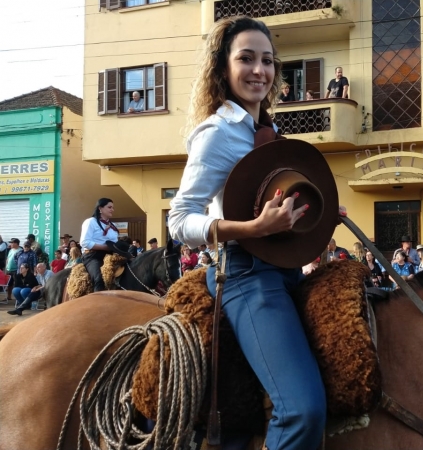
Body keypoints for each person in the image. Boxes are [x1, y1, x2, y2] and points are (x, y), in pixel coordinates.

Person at [167, 16, 327, 449]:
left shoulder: (271, 132)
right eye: (246, 59)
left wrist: (316, 216)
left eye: (268, 61)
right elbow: (179, 220)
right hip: (244, 277)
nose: (259, 70)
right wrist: (254, 228)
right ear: (223, 68)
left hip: (288, 272)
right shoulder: (216, 134)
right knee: (301, 410)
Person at [81, 197, 131, 292]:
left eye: (113, 207)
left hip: (110, 256)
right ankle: (98, 304)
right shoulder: (90, 222)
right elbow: (85, 242)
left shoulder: (113, 226)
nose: (112, 210)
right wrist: (105, 248)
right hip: (93, 256)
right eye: (109, 207)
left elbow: (114, 243)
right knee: (99, 279)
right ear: (100, 208)